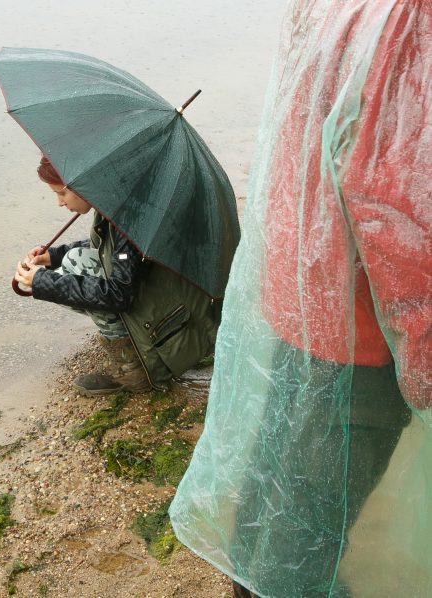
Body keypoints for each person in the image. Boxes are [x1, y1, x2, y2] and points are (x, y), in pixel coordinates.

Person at [169, 1, 431, 596]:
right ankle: (284, 582)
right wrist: (425, 369)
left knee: (281, 458)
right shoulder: (409, 19)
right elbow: (401, 216)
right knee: (319, 488)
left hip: (304, 275)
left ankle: (257, 575)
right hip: (363, 316)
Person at [14, 156, 220, 396]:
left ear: (80, 185)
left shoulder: (128, 219)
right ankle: (134, 348)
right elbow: (113, 250)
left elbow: (118, 294)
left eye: (61, 193)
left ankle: (135, 372)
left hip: (174, 322)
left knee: (79, 270)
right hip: (168, 301)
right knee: (73, 261)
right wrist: (53, 256)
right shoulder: (126, 203)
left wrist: (41, 281)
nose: (60, 202)